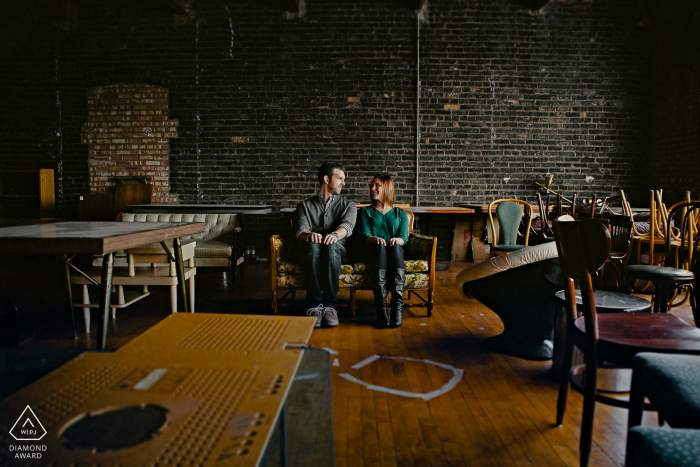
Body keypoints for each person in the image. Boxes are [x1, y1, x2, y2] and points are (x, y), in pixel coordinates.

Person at [294, 162, 357, 328]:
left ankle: (330, 306)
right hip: (311, 252)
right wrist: (309, 235)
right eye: (340, 178)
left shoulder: (348, 205)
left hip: (337, 252)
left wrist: (335, 235)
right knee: (312, 244)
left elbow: (347, 227)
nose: (343, 183)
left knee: (331, 245)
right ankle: (314, 304)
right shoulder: (304, 206)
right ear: (327, 179)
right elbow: (300, 230)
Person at [357, 173, 409, 328]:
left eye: (377, 185)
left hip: (394, 254)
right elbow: (365, 234)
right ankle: (381, 308)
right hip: (374, 253)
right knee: (380, 246)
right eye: (371, 185)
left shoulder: (400, 213)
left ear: (386, 187)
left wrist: (397, 240)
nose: (373, 188)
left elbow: (403, 237)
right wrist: (374, 239)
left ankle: (397, 307)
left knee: (395, 246)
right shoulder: (366, 212)